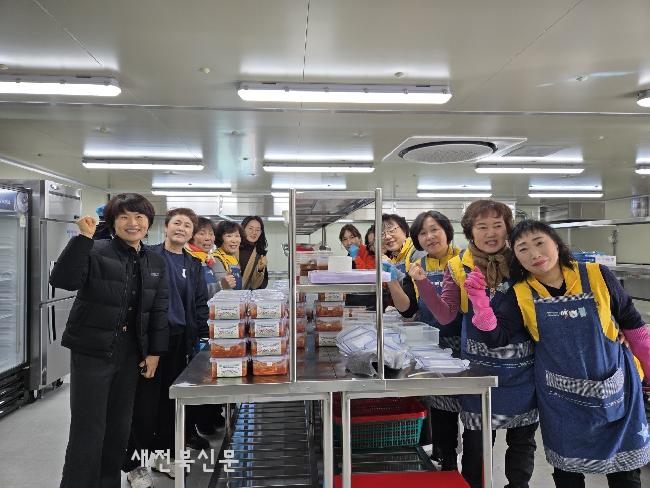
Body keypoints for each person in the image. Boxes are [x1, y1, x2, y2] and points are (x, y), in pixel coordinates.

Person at [470, 219, 650, 488]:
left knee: (624, 474)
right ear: (516, 256)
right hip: (562, 400)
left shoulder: (597, 275)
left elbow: (634, 327)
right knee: (567, 475)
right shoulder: (520, 292)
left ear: (556, 243)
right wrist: (479, 302)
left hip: (615, 392)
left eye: (539, 243)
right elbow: (497, 338)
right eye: (523, 249)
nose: (534, 254)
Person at [411, 200, 537, 488]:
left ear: (508, 229)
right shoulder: (458, 266)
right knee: (476, 444)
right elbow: (446, 315)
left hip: (521, 371)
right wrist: (423, 284)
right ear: (470, 232)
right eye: (482, 227)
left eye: (498, 225)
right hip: (479, 368)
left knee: (522, 442)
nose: (491, 233)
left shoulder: (523, 261)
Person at [51, 193, 168, 488]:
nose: (132, 223)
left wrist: (154, 352)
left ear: (148, 222)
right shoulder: (95, 249)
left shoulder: (154, 260)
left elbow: (158, 309)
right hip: (92, 351)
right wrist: (83, 239)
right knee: (88, 427)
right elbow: (63, 280)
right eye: (124, 217)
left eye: (139, 217)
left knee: (118, 427)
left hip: (131, 354)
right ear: (113, 222)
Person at [123, 208, 210, 485]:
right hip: (148, 343)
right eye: (177, 223)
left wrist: (202, 337)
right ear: (166, 226)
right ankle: (135, 466)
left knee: (170, 404)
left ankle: (166, 455)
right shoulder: (146, 255)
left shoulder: (193, 264)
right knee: (142, 405)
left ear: (191, 233)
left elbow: (199, 304)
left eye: (187, 225)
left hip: (179, 341)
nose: (181, 228)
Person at [394, 211, 463, 470]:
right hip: (434, 345)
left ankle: (468, 465)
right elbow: (411, 308)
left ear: (447, 231)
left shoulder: (464, 261)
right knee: (442, 408)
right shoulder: (416, 266)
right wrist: (392, 282)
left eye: (435, 230)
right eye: (423, 233)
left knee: (471, 410)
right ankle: (447, 461)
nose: (430, 237)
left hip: (464, 344)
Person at [381, 213, 425, 308]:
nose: (387, 236)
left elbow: (415, 288)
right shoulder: (395, 257)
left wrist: (391, 269)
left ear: (404, 230)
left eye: (391, 230)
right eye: (382, 234)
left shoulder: (417, 250)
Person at [185, 217, 220, 296]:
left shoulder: (208, 260)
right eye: (201, 233)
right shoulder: (187, 259)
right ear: (191, 236)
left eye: (211, 234)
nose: (208, 238)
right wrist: (221, 285)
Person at [213, 220, 244, 290]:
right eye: (229, 236)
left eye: (237, 236)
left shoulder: (234, 259)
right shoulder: (216, 259)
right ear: (220, 238)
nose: (234, 240)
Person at [240, 216, 269, 289]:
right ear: (243, 229)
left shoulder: (260, 253)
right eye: (250, 228)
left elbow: (261, 285)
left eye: (257, 230)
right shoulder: (233, 249)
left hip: (249, 295)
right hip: (229, 294)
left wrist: (260, 269)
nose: (254, 232)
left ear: (261, 232)